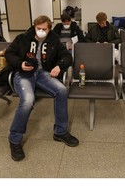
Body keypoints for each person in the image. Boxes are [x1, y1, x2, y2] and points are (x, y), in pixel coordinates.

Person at [5, 15, 79, 161]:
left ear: (49, 29)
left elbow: (67, 57)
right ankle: (14, 139)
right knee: (28, 100)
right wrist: (20, 63)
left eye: (44, 29)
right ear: (34, 27)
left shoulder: (54, 40)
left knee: (62, 90)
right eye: (38, 28)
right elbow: (9, 54)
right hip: (23, 73)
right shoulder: (22, 38)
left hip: (42, 74)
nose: (40, 31)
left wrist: (59, 65)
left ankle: (60, 132)